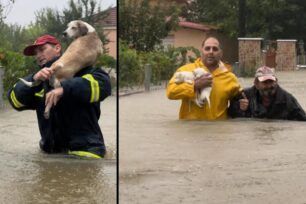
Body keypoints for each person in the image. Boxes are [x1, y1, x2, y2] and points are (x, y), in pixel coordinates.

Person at [7, 34, 111, 158]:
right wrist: (34, 78)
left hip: (86, 153)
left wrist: (64, 89)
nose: (38, 55)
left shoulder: (84, 70)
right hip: (51, 154)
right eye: (36, 53)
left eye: (42, 49)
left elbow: (104, 86)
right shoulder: (38, 81)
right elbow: (15, 101)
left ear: (57, 48)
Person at [166, 36, 242, 120]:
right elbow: (170, 92)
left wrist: (241, 106)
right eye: (207, 48)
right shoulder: (185, 70)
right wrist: (195, 85)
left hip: (218, 130)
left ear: (221, 53)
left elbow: (239, 102)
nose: (211, 52)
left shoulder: (230, 78)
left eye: (215, 49)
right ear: (202, 51)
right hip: (190, 130)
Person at [228, 66, 306, 121]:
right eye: (265, 82)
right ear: (256, 83)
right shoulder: (243, 96)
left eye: (271, 82)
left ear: (276, 81)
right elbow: (230, 117)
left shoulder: (288, 99)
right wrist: (241, 110)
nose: (269, 86)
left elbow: (302, 120)